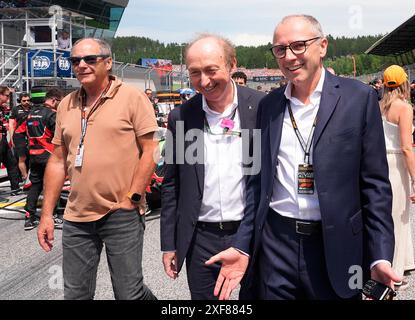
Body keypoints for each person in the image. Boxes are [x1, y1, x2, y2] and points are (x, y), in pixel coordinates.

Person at [208, 14, 399, 300]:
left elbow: (376, 187)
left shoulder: (358, 99)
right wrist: (243, 244)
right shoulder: (269, 106)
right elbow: (256, 184)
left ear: (322, 46)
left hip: (336, 246)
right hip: (276, 245)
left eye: (299, 46)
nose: (289, 56)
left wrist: (379, 256)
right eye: (280, 49)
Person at [36, 38, 158, 300]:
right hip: (77, 217)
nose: (81, 65)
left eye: (90, 59)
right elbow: (57, 160)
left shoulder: (132, 98)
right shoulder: (66, 104)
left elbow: (151, 151)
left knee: (129, 294)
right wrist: (46, 213)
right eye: (75, 61)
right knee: (76, 294)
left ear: (108, 62)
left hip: (120, 213)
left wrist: (133, 198)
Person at [160, 33, 265, 299]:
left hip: (252, 232)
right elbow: (172, 184)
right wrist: (169, 243)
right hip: (201, 238)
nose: (204, 81)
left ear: (232, 65)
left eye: (211, 70)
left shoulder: (262, 107)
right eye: (195, 73)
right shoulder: (180, 117)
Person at [380, 65, 415, 286]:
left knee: (387, 215)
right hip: (397, 163)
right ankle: (395, 270)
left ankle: (403, 260)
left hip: (381, 161)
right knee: (400, 214)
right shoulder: (404, 108)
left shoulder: (379, 106)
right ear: (404, 82)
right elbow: (406, 148)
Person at [23, 88, 63, 231]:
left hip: (33, 155)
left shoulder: (29, 114)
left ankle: (29, 217)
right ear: (52, 100)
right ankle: (56, 215)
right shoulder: (51, 114)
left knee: (35, 186)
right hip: (48, 154)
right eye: (58, 101)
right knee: (54, 184)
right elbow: (60, 135)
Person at [0, 86, 21, 195]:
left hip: (3, 138)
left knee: (12, 163)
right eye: (7, 96)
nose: (8, 98)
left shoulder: (2, 107)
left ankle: (15, 188)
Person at [9, 92, 31, 183]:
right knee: (22, 158)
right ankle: (25, 178)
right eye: (24, 100)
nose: (26, 102)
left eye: (28, 100)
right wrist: (11, 138)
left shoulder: (33, 109)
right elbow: (11, 125)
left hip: (31, 136)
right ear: (20, 101)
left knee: (32, 158)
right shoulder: (15, 109)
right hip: (19, 136)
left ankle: (31, 177)